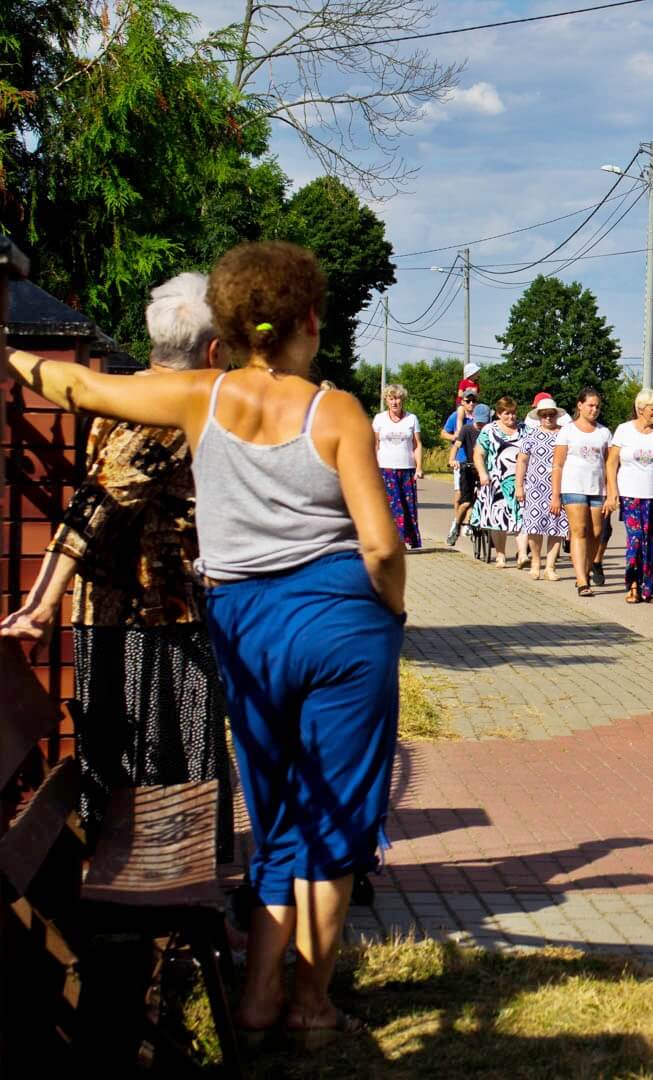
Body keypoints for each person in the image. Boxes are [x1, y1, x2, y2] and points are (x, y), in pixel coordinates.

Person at [5, 241, 405, 1044]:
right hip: (342, 625)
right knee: (336, 816)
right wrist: (390, 612)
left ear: (230, 328)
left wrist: (8, 350)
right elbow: (380, 544)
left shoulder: (199, 396)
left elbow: (79, 386)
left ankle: (255, 1000)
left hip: (245, 626)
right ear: (310, 319)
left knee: (276, 805)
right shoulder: (338, 411)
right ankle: (311, 1007)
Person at [1, 271, 228, 838]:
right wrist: (40, 605)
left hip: (120, 614)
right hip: (151, 619)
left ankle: (162, 867)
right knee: (166, 770)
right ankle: (166, 878)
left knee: (141, 769)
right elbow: (96, 505)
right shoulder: (169, 415)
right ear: (213, 351)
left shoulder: (126, 394)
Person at [610, 388, 653, 604]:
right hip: (630, 494)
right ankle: (632, 585)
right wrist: (612, 492)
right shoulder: (624, 430)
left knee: (651, 542)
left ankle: (647, 589)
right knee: (636, 538)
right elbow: (611, 463)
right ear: (641, 409)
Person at [550, 388, 614, 596]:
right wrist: (555, 495)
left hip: (597, 488)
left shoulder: (604, 433)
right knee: (579, 530)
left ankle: (586, 569)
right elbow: (558, 464)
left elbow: (610, 465)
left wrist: (611, 493)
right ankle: (581, 580)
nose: (594, 410)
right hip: (573, 487)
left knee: (596, 532)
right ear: (580, 405)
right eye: (590, 405)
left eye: (597, 406)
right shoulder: (567, 431)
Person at [515, 392, 570, 581]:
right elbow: (522, 461)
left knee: (558, 526)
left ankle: (550, 566)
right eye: (544, 414)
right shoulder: (530, 435)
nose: (548, 418)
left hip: (559, 487)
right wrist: (519, 486)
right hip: (535, 488)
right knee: (534, 527)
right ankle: (536, 563)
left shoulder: (565, 434)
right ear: (538, 416)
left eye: (551, 414)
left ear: (556, 415)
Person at [469, 397, 525, 568]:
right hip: (496, 481)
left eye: (513, 413)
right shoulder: (489, 430)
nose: (511, 417)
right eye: (507, 413)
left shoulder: (524, 430)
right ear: (499, 414)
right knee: (498, 519)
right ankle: (500, 554)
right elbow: (478, 453)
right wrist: (482, 473)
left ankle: (522, 554)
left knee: (522, 517)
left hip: (520, 481)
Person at [371, 384, 424, 549]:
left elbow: (417, 444)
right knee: (392, 507)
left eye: (398, 398)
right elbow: (375, 444)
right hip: (385, 469)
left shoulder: (411, 419)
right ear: (386, 400)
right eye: (391, 398)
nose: (395, 402)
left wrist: (419, 467)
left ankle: (406, 539)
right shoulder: (379, 419)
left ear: (403, 400)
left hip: (406, 469)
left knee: (407, 507)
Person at [443, 389, 482, 545]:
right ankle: (457, 523)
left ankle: (478, 523)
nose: (471, 404)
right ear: (462, 402)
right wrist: (456, 438)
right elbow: (444, 433)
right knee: (461, 495)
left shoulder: (482, 418)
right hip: (462, 460)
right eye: (468, 401)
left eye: (474, 401)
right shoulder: (457, 417)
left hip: (480, 462)